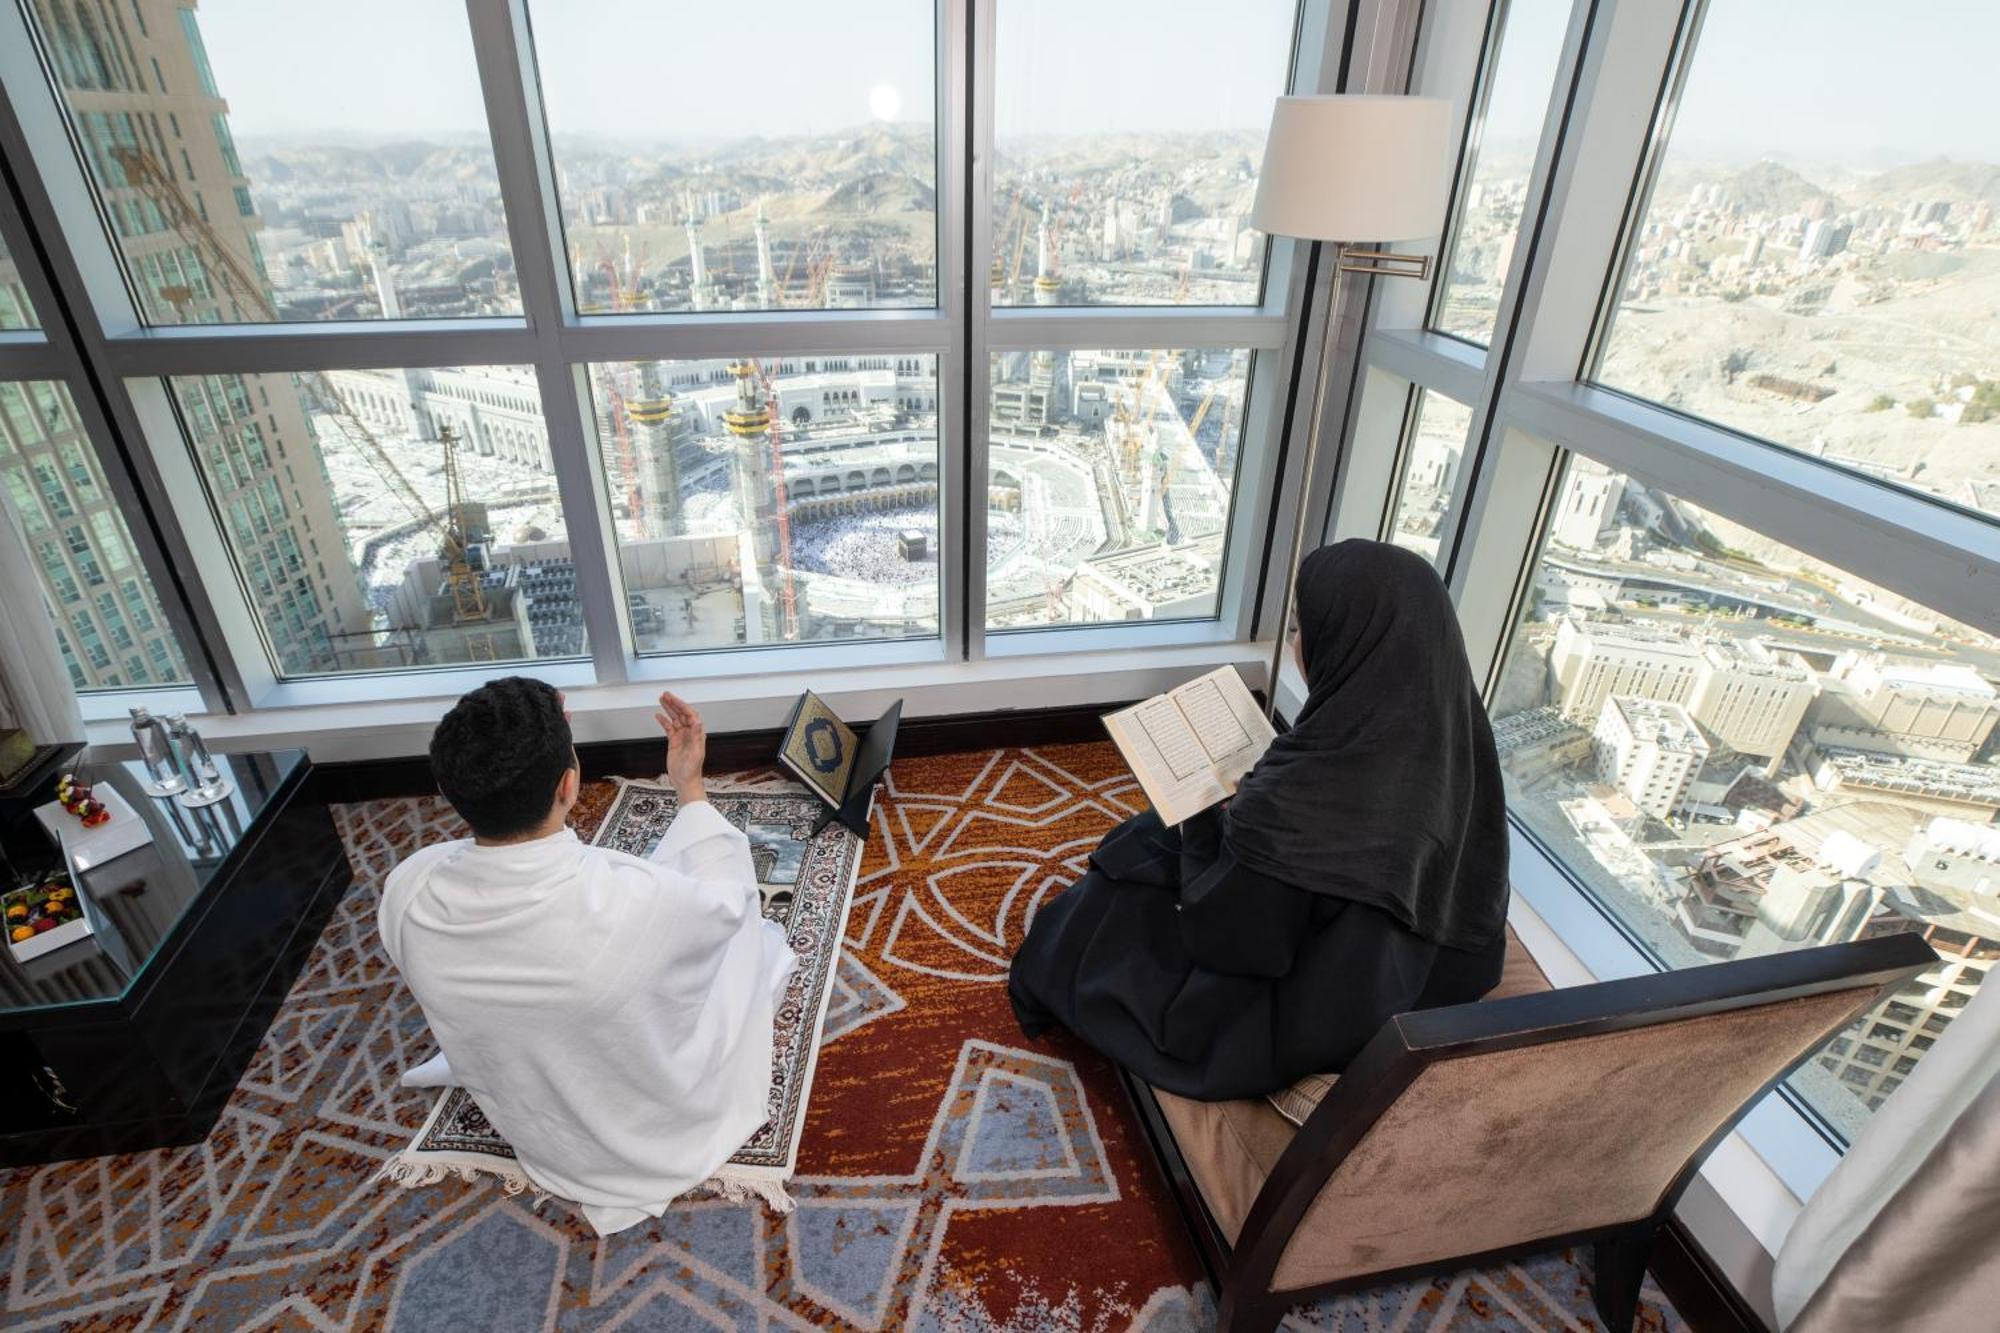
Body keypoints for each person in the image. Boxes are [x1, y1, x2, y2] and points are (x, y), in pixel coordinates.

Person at [1008, 540, 1511, 1100]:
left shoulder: (1291, 805)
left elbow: (1230, 941)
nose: (1295, 643)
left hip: (1313, 1014)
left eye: (1300, 628)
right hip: (1432, 975)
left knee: (1126, 875)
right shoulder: (1455, 735)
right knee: (1152, 841)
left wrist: (1210, 823)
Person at [378, 677, 795, 1235]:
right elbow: (726, 906)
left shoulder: (408, 888)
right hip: (654, 1131)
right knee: (759, 950)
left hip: (541, 1136)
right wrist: (690, 787)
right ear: (570, 785)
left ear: (448, 789)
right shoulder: (635, 898)